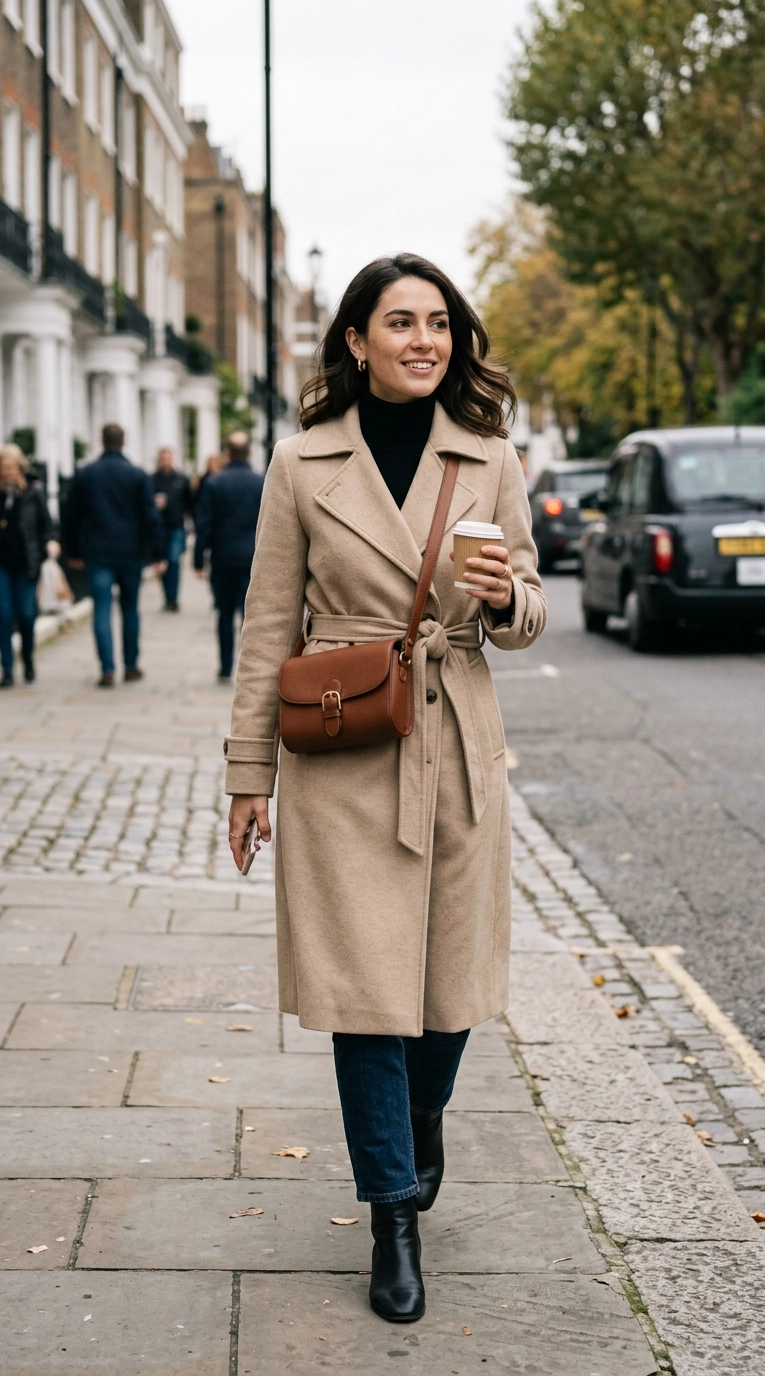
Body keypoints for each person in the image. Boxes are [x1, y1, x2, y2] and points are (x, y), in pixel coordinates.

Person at [224, 254, 546, 1322]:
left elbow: (531, 605)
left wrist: (505, 602)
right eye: (400, 322)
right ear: (355, 339)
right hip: (345, 744)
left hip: (456, 740)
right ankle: (393, 1210)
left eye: (440, 323)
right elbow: (268, 623)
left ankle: (420, 1118)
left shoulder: (489, 454)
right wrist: (246, 774)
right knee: (366, 992)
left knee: (451, 984)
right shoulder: (302, 460)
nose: (424, 339)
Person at [63, 422, 166, 687]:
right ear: (123, 442)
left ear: (102, 441)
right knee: (130, 608)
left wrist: (72, 551)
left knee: (102, 608)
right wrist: (158, 553)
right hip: (130, 552)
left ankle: (107, 668)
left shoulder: (85, 474)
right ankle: (130, 665)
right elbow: (150, 516)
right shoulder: (137, 475)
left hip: (97, 551)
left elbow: (70, 516)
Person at [194, 431, 263, 680]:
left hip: (223, 559)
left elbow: (204, 525)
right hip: (253, 559)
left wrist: (198, 560)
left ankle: (224, 667)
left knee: (224, 613)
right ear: (250, 453)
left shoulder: (214, 483)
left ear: (228, 453)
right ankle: (249, 668)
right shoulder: (261, 482)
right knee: (249, 617)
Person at [0, 443, 51, 687]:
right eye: (3, 467)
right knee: (3, 614)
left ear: (19, 466)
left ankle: (28, 659)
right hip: (2, 564)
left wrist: (51, 543)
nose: (7, 472)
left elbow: (47, 525)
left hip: (26, 563)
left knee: (27, 614)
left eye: (10, 467)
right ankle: (8, 669)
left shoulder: (34, 491)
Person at [152, 447, 192, 612]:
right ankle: (167, 596)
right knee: (162, 563)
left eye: (168, 458)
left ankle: (174, 597)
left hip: (176, 526)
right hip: (158, 527)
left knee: (174, 561)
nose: (166, 461)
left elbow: (189, 502)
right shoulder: (152, 480)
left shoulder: (181, 479)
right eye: (163, 458)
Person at [37, 539, 74, 618]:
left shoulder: (55, 566)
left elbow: (61, 581)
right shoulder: (45, 566)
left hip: (58, 595)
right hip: (47, 595)